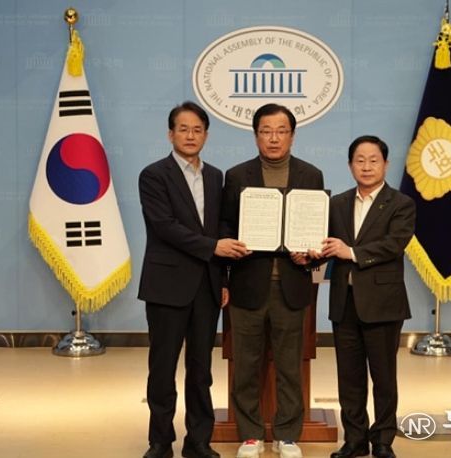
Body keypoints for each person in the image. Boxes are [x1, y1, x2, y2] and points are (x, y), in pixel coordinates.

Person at [138, 101, 249, 458]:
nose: (190, 135)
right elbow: (164, 227)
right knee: (162, 368)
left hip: (207, 286)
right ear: (170, 134)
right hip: (166, 285)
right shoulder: (153, 175)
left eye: (197, 129)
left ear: (206, 135)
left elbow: (221, 227)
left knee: (201, 370)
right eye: (183, 129)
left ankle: (199, 440)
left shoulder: (216, 177)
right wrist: (213, 247)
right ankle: (160, 441)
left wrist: (225, 279)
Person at [221, 103, 324, 458]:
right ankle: (250, 434)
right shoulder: (237, 175)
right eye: (266, 131)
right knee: (246, 365)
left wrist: (311, 254)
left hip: (292, 285)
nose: (274, 138)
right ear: (256, 136)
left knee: (289, 365)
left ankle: (287, 435)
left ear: (292, 136)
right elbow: (225, 224)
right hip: (248, 283)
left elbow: (318, 229)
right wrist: (231, 245)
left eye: (281, 131)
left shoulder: (311, 175)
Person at [319, 135, 415, 458]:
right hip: (344, 303)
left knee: (383, 377)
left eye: (374, 160)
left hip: (383, 304)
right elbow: (325, 243)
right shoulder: (337, 203)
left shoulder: (401, 204)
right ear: (350, 165)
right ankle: (354, 440)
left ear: (385, 164)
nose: (366, 166)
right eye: (359, 160)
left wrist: (351, 252)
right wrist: (309, 252)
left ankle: (383, 440)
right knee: (349, 377)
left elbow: (394, 244)